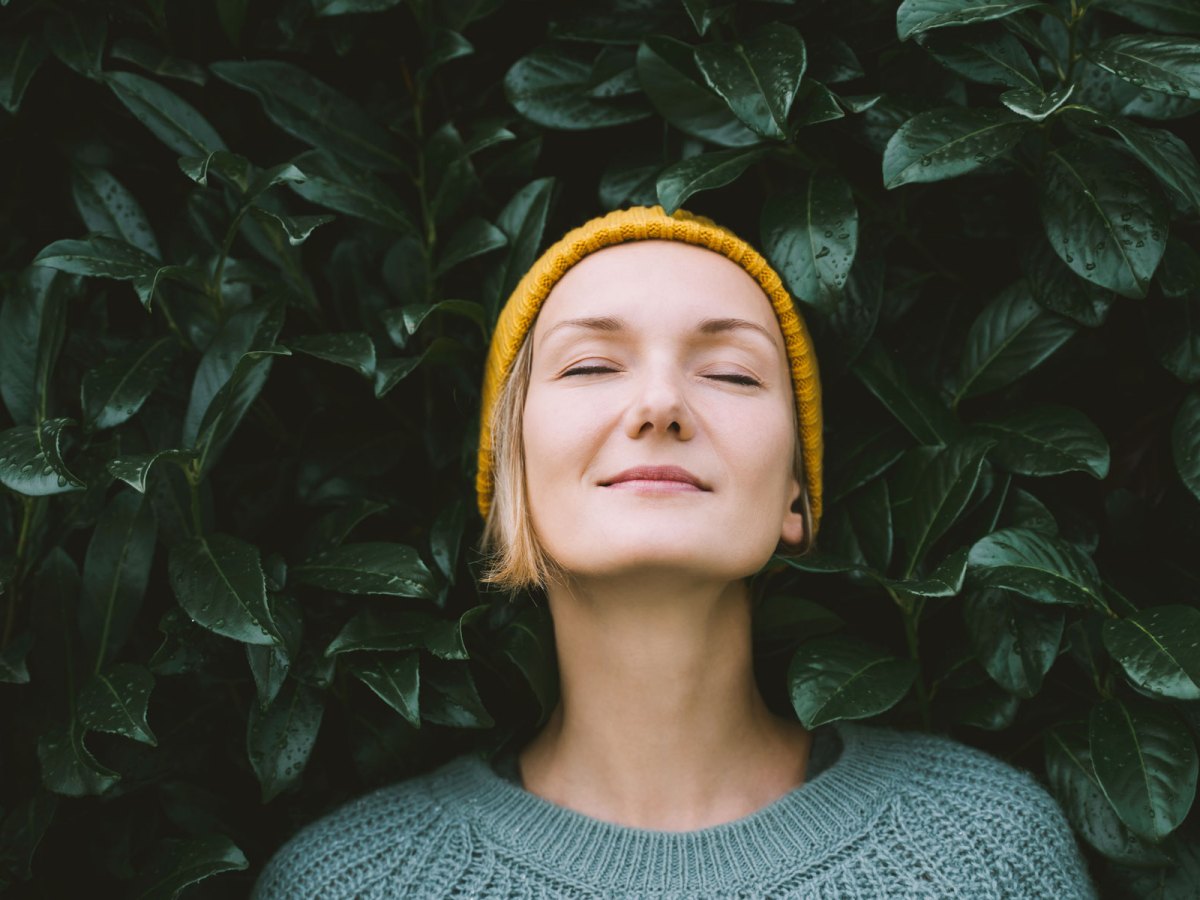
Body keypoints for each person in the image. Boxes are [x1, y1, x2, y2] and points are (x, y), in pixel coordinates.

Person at [251, 205, 1097, 898]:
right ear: (511, 474)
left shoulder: (985, 854)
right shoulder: (350, 885)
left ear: (796, 496)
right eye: (590, 366)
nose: (660, 404)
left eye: (730, 373)